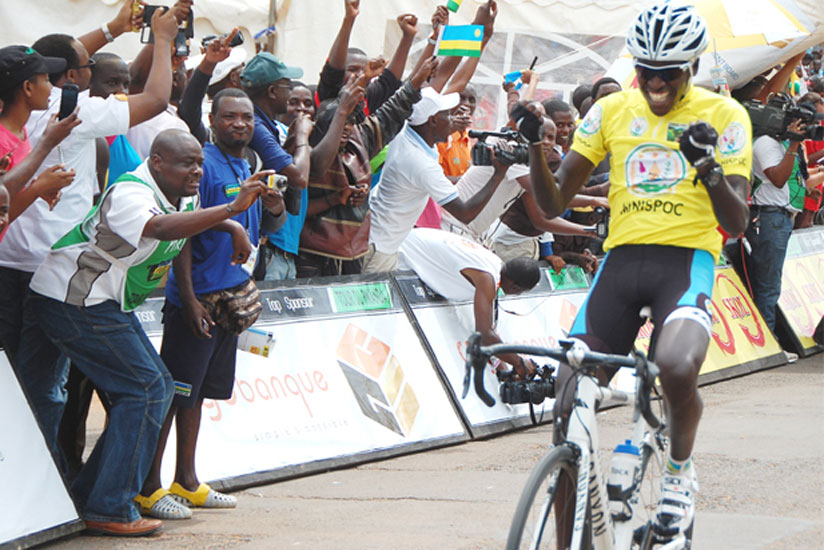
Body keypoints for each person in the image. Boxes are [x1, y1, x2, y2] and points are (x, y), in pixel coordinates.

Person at [515, 2, 751, 538]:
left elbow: (736, 223)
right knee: (568, 393)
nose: (656, 83)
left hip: (685, 262)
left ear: (691, 67)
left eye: (669, 72)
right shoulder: (611, 110)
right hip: (621, 262)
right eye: (646, 70)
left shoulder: (723, 114)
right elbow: (552, 203)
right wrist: (534, 146)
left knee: (676, 366)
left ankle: (678, 472)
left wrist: (708, 167)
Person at [17, 128, 270, 536]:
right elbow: (161, 228)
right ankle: (109, 506)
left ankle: (90, 496)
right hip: (72, 298)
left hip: (104, 301)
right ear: (157, 163)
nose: (196, 171)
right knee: (147, 389)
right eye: (187, 164)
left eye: (199, 163)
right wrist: (230, 211)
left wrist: (232, 228)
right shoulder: (130, 192)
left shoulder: (182, 193)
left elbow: (183, 229)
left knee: (151, 388)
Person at [0, 7, 180, 377]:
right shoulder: (75, 112)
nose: (91, 68)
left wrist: (113, 29)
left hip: (9, 258)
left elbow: (49, 57)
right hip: (47, 264)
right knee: (42, 382)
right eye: (89, 65)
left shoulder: (23, 109)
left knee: (16, 374)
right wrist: (163, 39)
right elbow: (156, 99)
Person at [138, 90, 285, 521]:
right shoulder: (201, 164)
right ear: (213, 120)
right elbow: (182, 232)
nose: (239, 124)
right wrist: (187, 299)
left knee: (197, 396)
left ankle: (186, 481)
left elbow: (262, 226)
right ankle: (148, 488)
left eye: (246, 117)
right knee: (174, 396)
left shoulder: (247, 165)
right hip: (197, 301)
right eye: (229, 117)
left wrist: (274, 208)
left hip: (229, 302)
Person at [298, 58, 436, 277]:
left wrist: (417, 80)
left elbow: (392, 112)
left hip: (352, 252)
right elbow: (318, 166)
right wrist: (342, 109)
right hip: (313, 255)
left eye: (351, 122)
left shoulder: (358, 142)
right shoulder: (306, 147)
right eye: (339, 122)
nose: (346, 128)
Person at [364, 86, 512, 273]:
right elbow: (465, 213)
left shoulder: (405, 133)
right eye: (448, 115)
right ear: (432, 120)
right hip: (380, 248)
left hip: (379, 238)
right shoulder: (421, 163)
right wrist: (498, 174)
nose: (453, 119)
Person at [399, 227, 540, 376]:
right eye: (521, 292)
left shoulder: (496, 266)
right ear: (515, 287)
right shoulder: (487, 279)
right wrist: (519, 363)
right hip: (400, 251)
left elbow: (489, 330)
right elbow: (484, 334)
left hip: (409, 239)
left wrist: (503, 368)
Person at [745, 95, 823, 331]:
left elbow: (792, 180)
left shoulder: (782, 144)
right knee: (767, 286)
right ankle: (767, 338)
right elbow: (778, 178)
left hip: (779, 219)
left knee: (771, 284)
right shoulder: (765, 143)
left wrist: (808, 185)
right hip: (769, 218)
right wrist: (794, 144)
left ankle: (768, 336)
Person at [241, 52, 313, 280]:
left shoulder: (266, 124)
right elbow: (299, 177)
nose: (290, 92)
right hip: (264, 249)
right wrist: (302, 135)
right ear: (272, 91)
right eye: (287, 87)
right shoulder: (257, 126)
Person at [0, 45, 77, 243]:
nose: (51, 88)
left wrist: (38, 188)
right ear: (28, 87)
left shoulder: (19, 131)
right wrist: (47, 143)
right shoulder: (2, 141)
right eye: (46, 79)